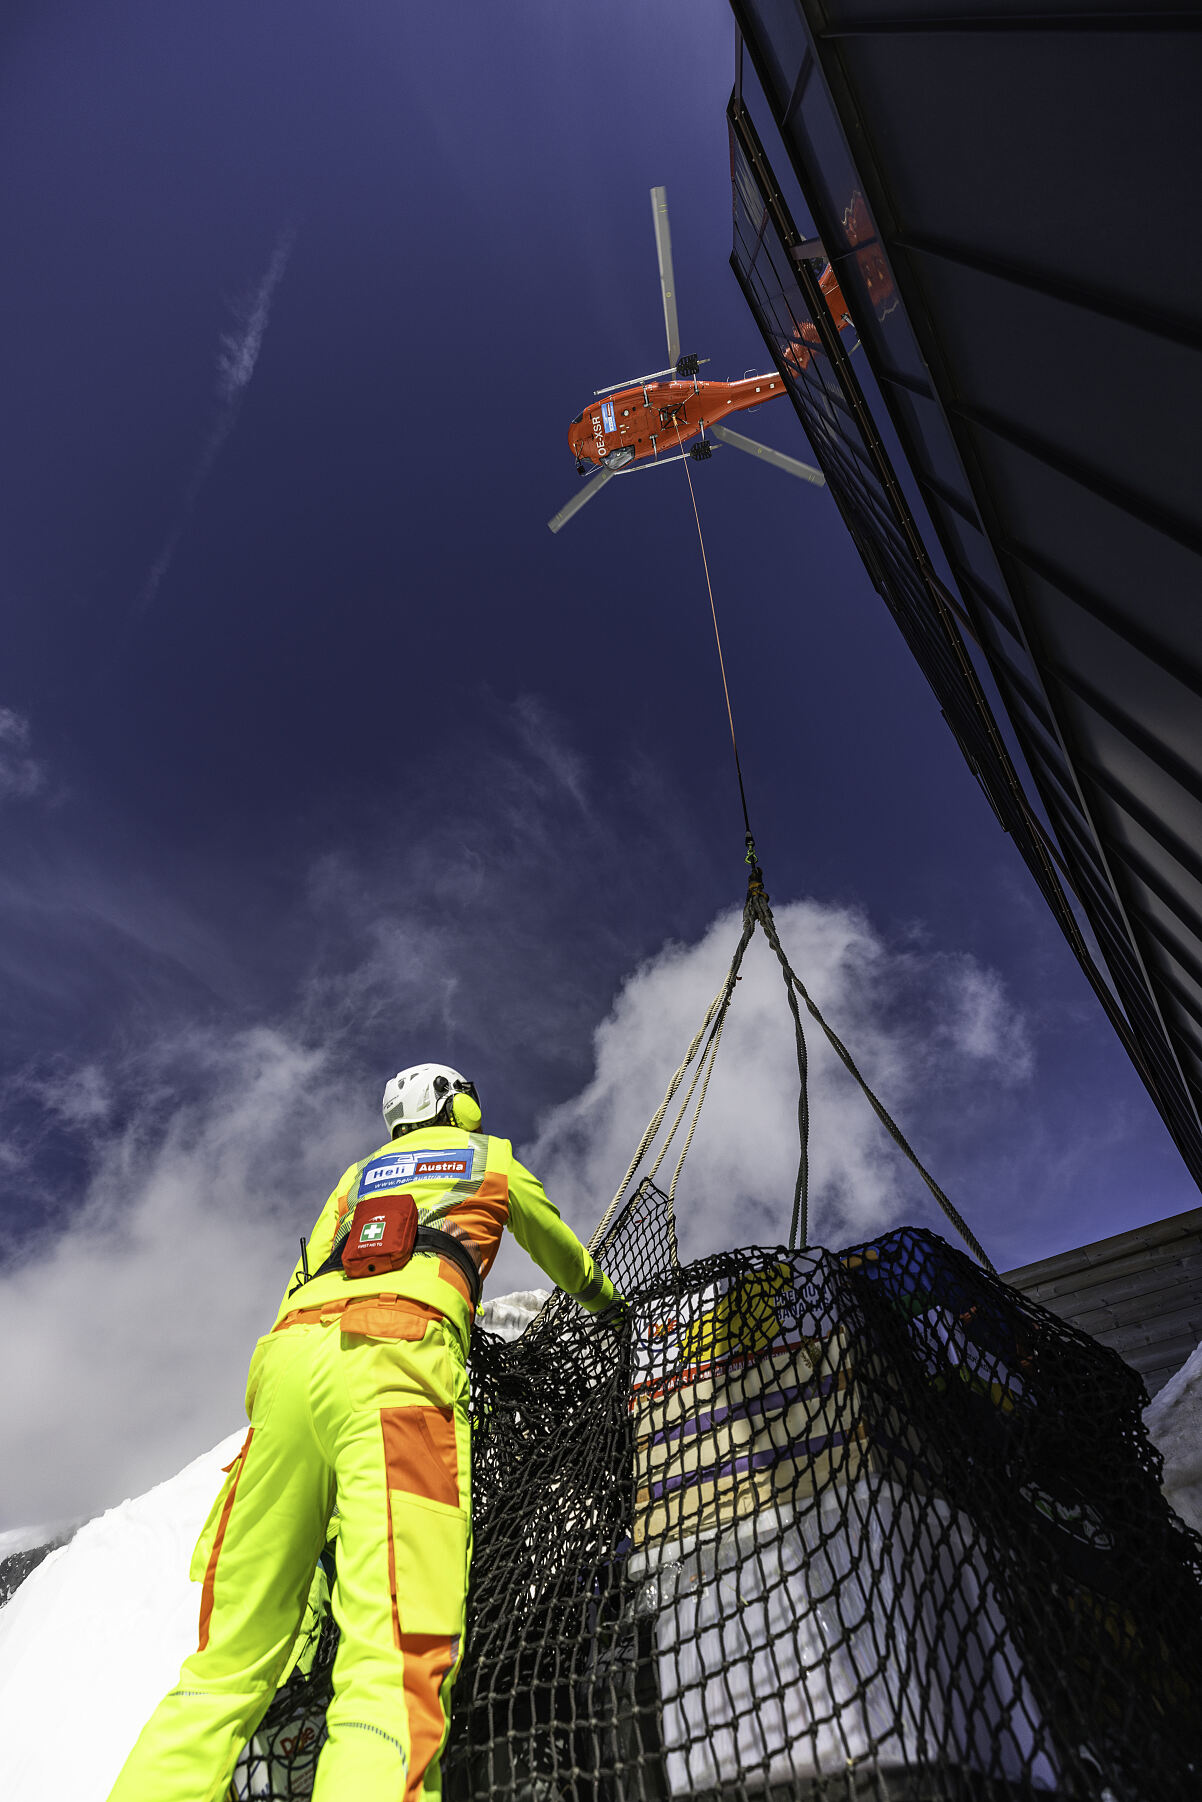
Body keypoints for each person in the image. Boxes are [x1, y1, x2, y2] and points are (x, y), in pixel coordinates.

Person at [107, 1062, 621, 1802]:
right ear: (456, 1102)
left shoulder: (356, 1178)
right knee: (391, 1664)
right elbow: (565, 1257)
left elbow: (305, 1271)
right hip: (398, 1364)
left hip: (285, 1372)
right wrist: (612, 1310)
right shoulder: (493, 1158)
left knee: (223, 1668)